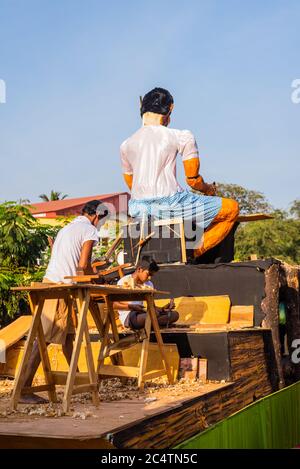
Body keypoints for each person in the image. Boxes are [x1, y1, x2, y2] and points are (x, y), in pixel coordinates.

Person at [120, 87, 239, 258]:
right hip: (170, 203)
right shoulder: (180, 136)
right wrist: (208, 190)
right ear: (170, 109)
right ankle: (192, 252)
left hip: (138, 208)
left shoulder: (125, 145)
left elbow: (132, 184)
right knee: (231, 209)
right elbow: (193, 180)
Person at [20, 199, 109, 403]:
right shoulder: (89, 230)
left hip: (52, 282)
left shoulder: (67, 228)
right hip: (59, 286)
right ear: (96, 216)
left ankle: (77, 381)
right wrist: (98, 277)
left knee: (69, 338)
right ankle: (24, 388)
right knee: (44, 339)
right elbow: (82, 266)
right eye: (101, 221)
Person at [114, 257, 179, 330]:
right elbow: (114, 305)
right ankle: (157, 325)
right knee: (153, 315)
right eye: (148, 274)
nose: (149, 278)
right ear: (139, 269)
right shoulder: (123, 281)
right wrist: (131, 307)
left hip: (144, 313)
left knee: (175, 315)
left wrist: (163, 309)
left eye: (151, 275)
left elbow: (152, 307)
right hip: (130, 316)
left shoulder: (149, 284)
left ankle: (151, 325)